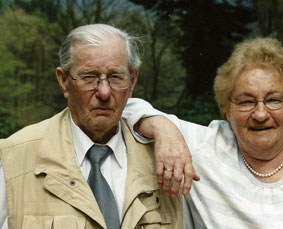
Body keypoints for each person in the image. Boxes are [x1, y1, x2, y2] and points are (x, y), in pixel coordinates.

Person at [128, 37, 283, 228]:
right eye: (246, 101)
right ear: (227, 110)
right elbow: (123, 109)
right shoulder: (207, 146)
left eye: (273, 100)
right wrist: (163, 128)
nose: (260, 114)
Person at [0, 24, 186, 229]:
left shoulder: (170, 160)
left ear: (132, 82)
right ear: (63, 81)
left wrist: (164, 127)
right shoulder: (12, 160)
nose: (104, 92)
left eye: (116, 77)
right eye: (89, 77)